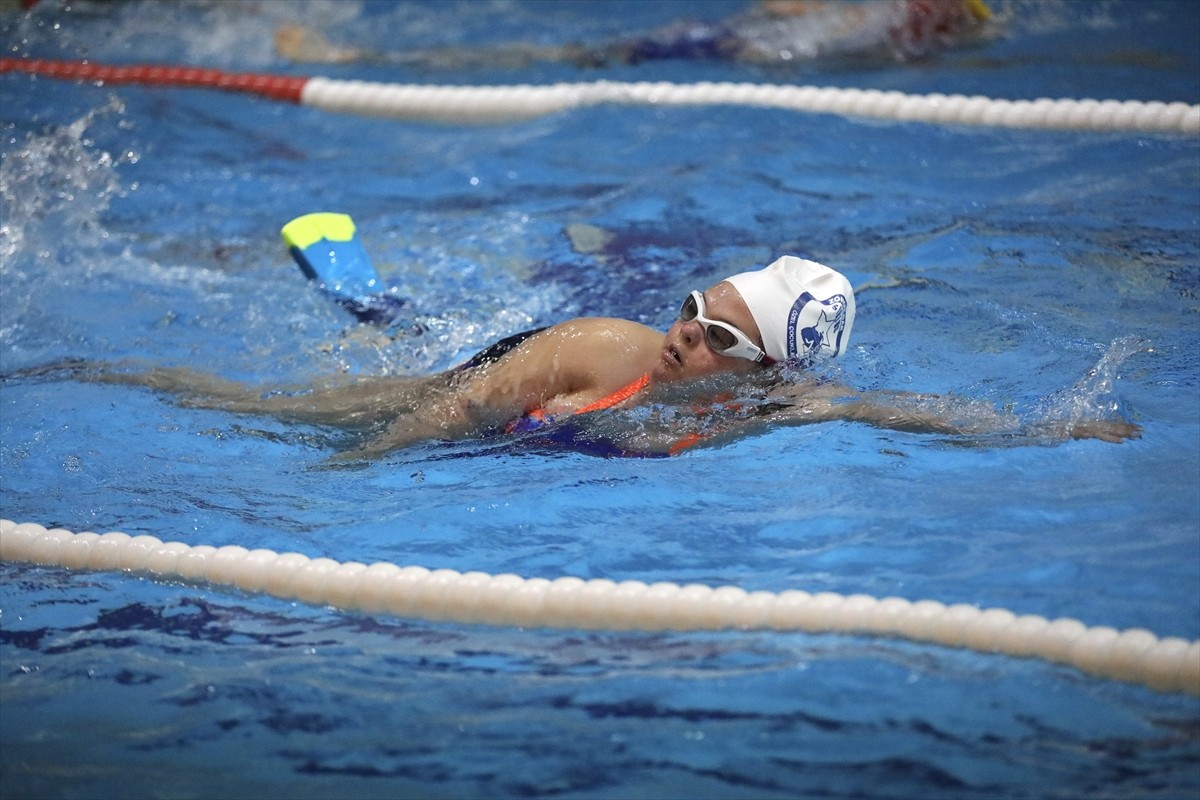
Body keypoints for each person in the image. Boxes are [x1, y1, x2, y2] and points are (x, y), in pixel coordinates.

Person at [14, 255, 1141, 460]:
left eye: (716, 334)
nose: (683, 331)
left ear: (765, 371)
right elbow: (455, 414)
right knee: (279, 408)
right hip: (476, 387)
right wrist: (356, 466)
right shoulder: (610, 349)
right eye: (693, 306)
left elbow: (906, 411)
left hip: (534, 433)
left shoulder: (781, 408)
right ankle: (92, 373)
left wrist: (1057, 427)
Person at [275, 0, 995, 70]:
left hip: (716, 49)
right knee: (563, 56)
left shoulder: (881, 22)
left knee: (559, 56)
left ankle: (366, 57)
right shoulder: (893, 28)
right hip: (722, 48)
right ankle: (368, 56)